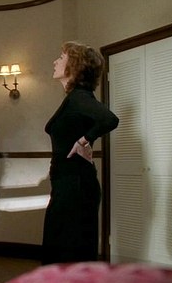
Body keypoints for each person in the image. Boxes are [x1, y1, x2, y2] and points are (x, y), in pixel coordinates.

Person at [42, 41, 119, 264]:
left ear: (74, 66)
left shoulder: (79, 97)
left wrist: (84, 140)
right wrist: (85, 139)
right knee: (62, 249)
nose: (55, 61)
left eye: (61, 58)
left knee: (68, 252)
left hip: (75, 186)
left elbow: (109, 119)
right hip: (69, 183)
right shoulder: (75, 98)